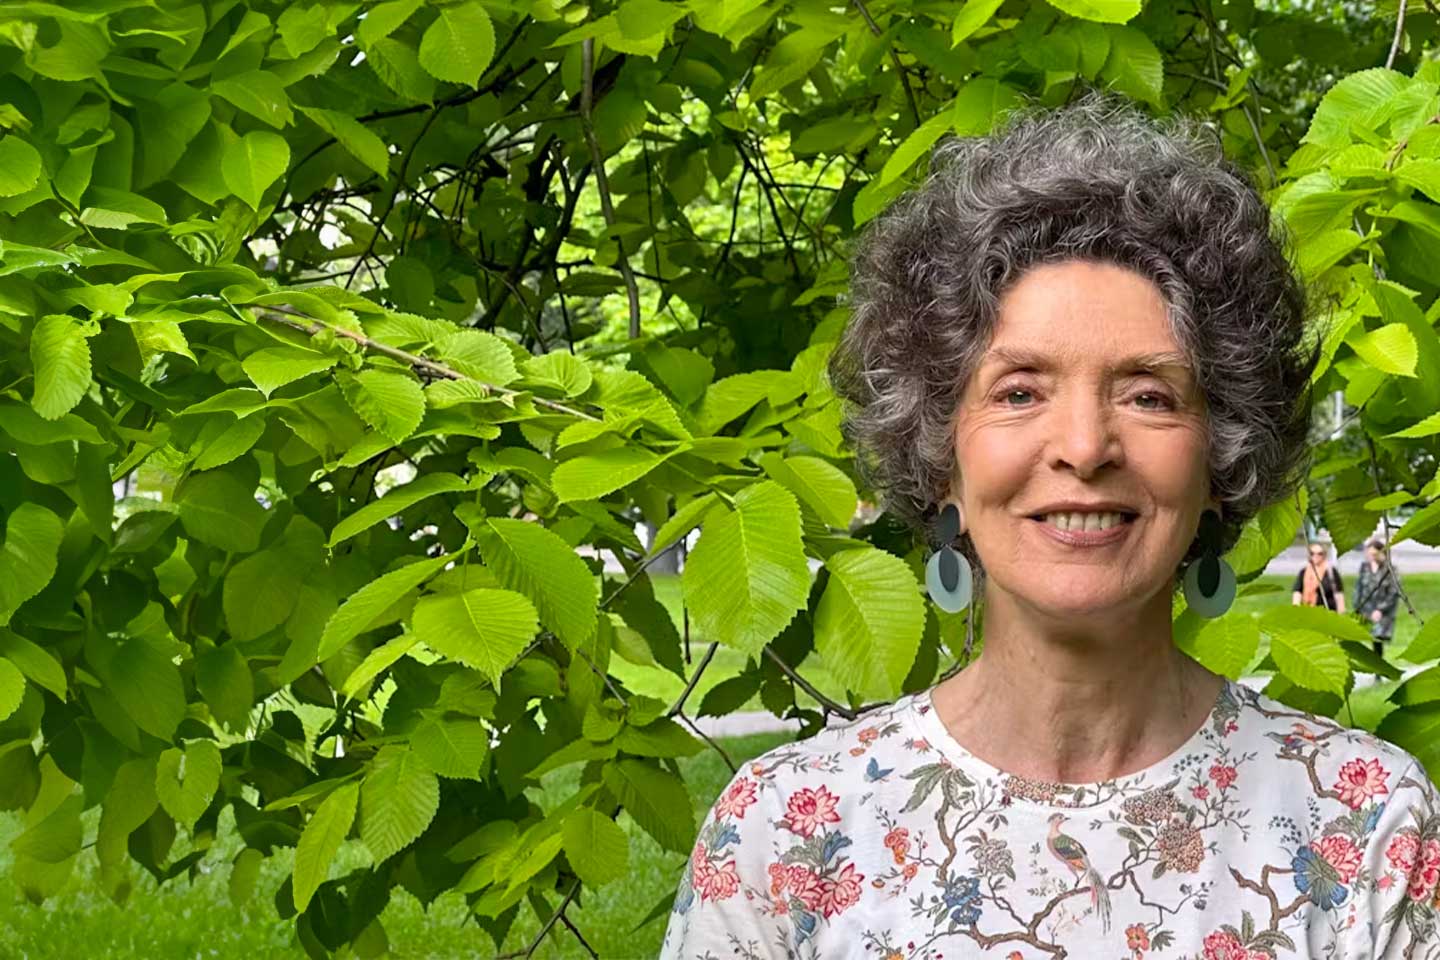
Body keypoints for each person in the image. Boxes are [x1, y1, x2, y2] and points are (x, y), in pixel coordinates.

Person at [659, 97, 1440, 959]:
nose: (1083, 447)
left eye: (1148, 394)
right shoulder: (789, 836)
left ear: (1220, 465)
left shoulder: (1367, 824)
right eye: (1019, 391)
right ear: (940, 458)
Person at [1355, 539, 1402, 659]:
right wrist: (1357, 607)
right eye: (1369, 554)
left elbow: (1394, 591)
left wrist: (1380, 609)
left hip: (1382, 611)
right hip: (1366, 609)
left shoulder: (1390, 569)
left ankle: (1378, 670)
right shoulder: (1364, 567)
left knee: (1378, 638)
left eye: (1375, 554)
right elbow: (1359, 588)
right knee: (1364, 638)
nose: (1372, 557)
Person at [1292, 540, 1346, 612]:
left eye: (1319, 553)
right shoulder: (1304, 571)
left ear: (1324, 554)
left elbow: (1339, 594)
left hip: (1328, 613)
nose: (1315, 556)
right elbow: (1297, 592)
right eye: (1312, 553)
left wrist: (1341, 612)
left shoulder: (1331, 571)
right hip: (1308, 612)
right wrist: (1296, 610)